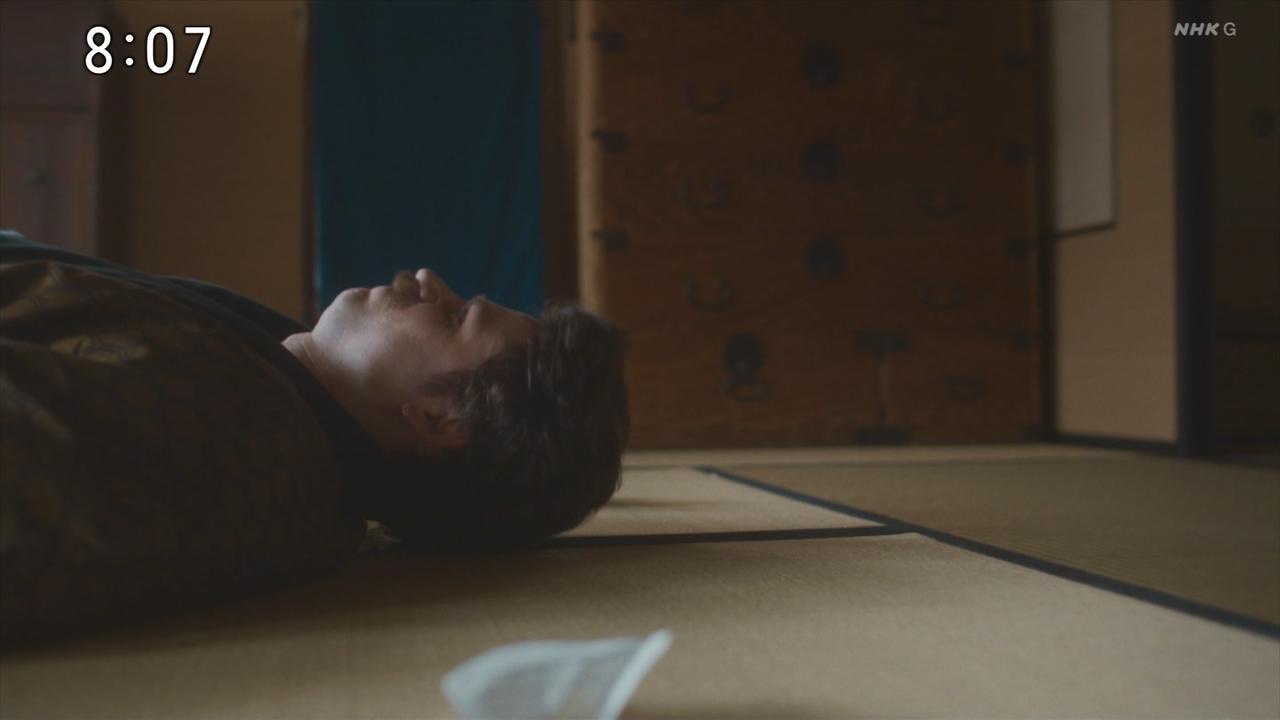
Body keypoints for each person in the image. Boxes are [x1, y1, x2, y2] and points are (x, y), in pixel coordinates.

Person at [0, 230, 629, 647]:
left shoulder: (235, 442)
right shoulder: (288, 390)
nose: (428, 278)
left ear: (441, 420)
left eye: (455, 315)